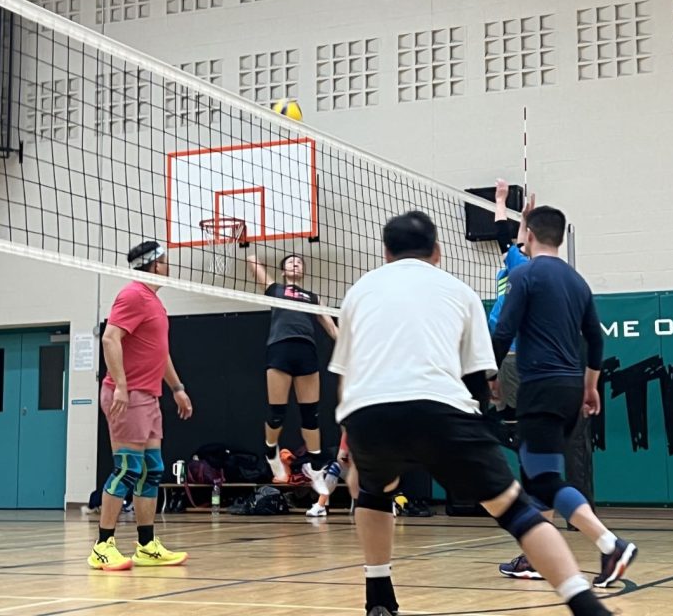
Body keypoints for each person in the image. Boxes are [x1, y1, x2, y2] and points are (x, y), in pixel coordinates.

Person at [329, 210, 613, 616]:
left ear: (386, 253)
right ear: (438, 252)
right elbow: (479, 376)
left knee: (375, 491)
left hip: (367, 413)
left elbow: (345, 375)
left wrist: (351, 448)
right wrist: (478, 427)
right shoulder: (459, 292)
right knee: (515, 508)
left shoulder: (359, 291)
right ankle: (587, 607)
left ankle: (379, 599)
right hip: (442, 408)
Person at [492, 206, 637, 587]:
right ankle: (536, 557)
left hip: (540, 388)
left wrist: (488, 376)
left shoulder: (524, 275)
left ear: (530, 235)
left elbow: (504, 332)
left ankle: (610, 544)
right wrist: (590, 386)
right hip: (571, 389)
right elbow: (596, 341)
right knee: (541, 476)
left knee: (542, 480)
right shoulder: (578, 282)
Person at [89, 241, 194, 571]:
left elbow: (158, 352)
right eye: (165, 260)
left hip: (148, 396)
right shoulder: (133, 294)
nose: (168, 266)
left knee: (152, 469)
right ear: (155, 264)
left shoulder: (154, 301)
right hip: (128, 395)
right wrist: (121, 385)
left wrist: (177, 388)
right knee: (127, 469)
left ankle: (147, 546)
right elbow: (110, 338)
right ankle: (102, 546)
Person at [247, 253, 337, 482]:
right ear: (282, 271)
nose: (296, 263)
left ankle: (315, 465)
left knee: (310, 415)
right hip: (281, 348)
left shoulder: (313, 297)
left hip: (306, 350)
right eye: (290, 261)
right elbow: (252, 262)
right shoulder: (275, 289)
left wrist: (347, 345)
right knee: (277, 413)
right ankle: (270, 450)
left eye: (299, 262)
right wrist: (248, 246)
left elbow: (330, 325)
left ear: (303, 271)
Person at [487, 179, 532, 413]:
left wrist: (500, 201)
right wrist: (524, 219)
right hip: (508, 349)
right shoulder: (525, 266)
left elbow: (502, 235)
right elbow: (520, 242)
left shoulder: (520, 265)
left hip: (510, 351)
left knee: (509, 411)